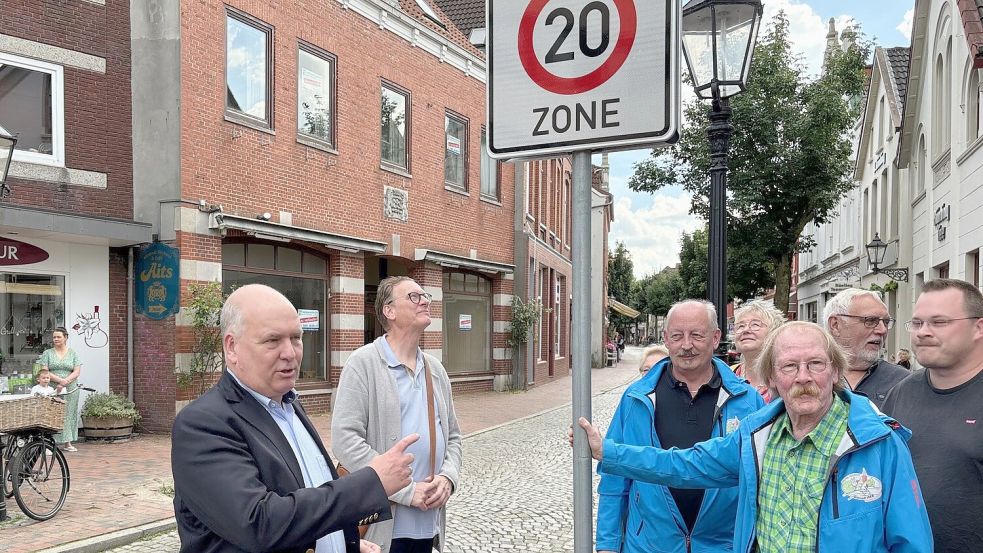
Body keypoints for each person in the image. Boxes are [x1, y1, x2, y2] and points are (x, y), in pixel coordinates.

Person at [575, 321, 933, 553]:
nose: (803, 377)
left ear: (836, 371)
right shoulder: (756, 437)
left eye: (816, 364)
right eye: (790, 367)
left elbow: (912, 543)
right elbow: (683, 464)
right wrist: (607, 451)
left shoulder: (879, 445)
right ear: (772, 379)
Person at [172, 284, 417, 553]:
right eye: (272, 340)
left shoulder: (289, 404)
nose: (290, 353)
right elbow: (260, 524)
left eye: (296, 338)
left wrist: (345, 542)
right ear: (232, 347)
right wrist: (372, 482)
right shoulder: (203, 424)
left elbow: (310, 494)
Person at [594, 300, 765, 553]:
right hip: (648, 545)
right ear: (666, 339)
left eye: (697, 335)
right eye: (677, 336)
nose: (686, 345)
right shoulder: (637, 398)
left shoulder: (748, 401)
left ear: (716, 338)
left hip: (722, 546)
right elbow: (615, 479)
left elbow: (760, 483)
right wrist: (607, 545)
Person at [333, 276, 463, 553]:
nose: (425, 301)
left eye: (424, 295)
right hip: (383, 526)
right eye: (414, 297)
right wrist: (406, 493)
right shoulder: (362, 364)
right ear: (388, 311)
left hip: (429, 521)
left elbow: (453, 436)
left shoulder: (435, 369)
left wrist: (448, 479)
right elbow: (345, 441)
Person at [882, 278, 983, 552]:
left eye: (939, 322)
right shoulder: (900, 394)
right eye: (917, 323)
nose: (922, 332)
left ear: (978, 327)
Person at [822, 288, 908, 408]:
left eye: (886, 322)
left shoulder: (903, 381)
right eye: (871, 321)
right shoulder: (807, 377)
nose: (882, 330)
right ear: (835, 325)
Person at [731, 300, 786, 401]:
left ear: (773, 332)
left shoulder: (785, 377)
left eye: (755, 325)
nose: (746, 330)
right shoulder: (727, 375)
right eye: (740, 326)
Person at [39, 326, 82, 452]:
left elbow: (77, 371)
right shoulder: (47, 353)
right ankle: (50, 443)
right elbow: (44, 371)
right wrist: (59, 381)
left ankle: (68, 442)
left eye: (58, 337)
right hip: (52, 387)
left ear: (66, 338)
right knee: (52, 414)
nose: (56, 339)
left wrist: (65, 382)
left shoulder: (73, 353)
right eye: (54, 337)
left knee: (69, 414)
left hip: (70, 388)